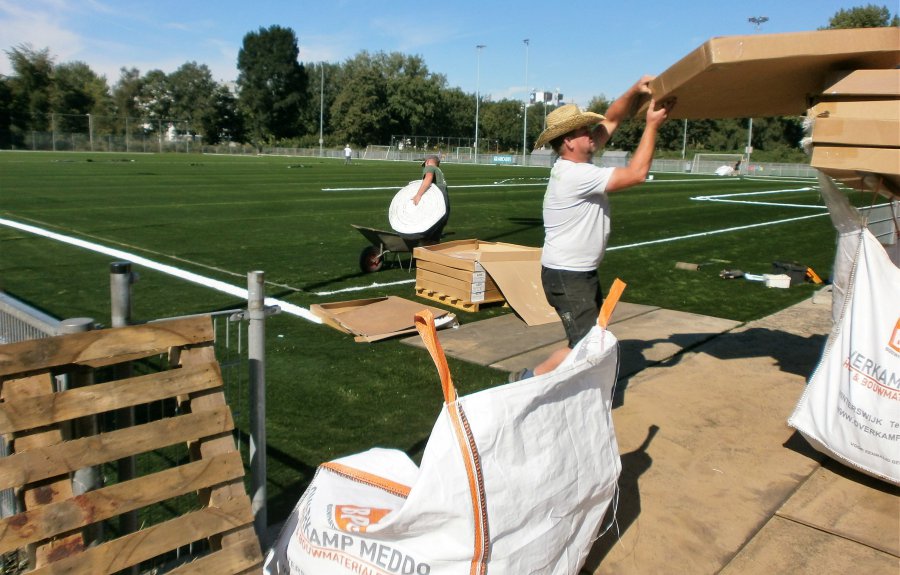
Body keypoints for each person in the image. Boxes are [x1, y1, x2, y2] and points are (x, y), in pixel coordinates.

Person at [509, 76, 674, 382]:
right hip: (568, 274)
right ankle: (528, 379)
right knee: (586, 346)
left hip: (575, 272)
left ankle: (561, 384)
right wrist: (652, 125)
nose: (591, 133)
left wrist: (634, 90)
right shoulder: (576, 175)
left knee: (591, 339)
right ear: (569, 142)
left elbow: (612, 119)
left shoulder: (573, 164)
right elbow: (637, 174)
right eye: (583, 130)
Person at [411, 155, 449, 242]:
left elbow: (428, 178)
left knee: (430, 227)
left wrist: (418, 195)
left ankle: (426, 244)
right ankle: (435, 242)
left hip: (437, 198)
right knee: (439, 224)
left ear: (427, 162)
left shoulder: (430, 167)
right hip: (444, 197)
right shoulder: (439, 170)